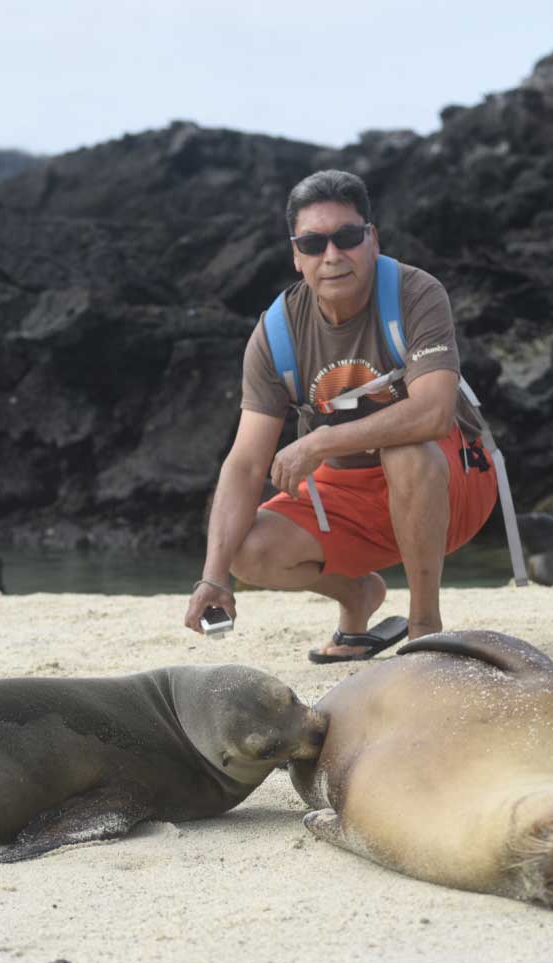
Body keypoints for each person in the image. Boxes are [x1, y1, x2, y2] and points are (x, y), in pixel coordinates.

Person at [183, 170, 498, 661]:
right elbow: (244, 464)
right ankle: (358, 598)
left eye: (347, 238)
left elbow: (435, 412)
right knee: (247, 550)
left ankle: (423, 629)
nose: (332, 256)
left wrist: (320, 442)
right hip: (349, 496)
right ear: (296, 254)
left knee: (406, 448)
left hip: (451, 485)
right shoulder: (276, 333)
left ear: (371, 239)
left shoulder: (415, 294)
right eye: (313, 243)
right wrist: (214, 576)